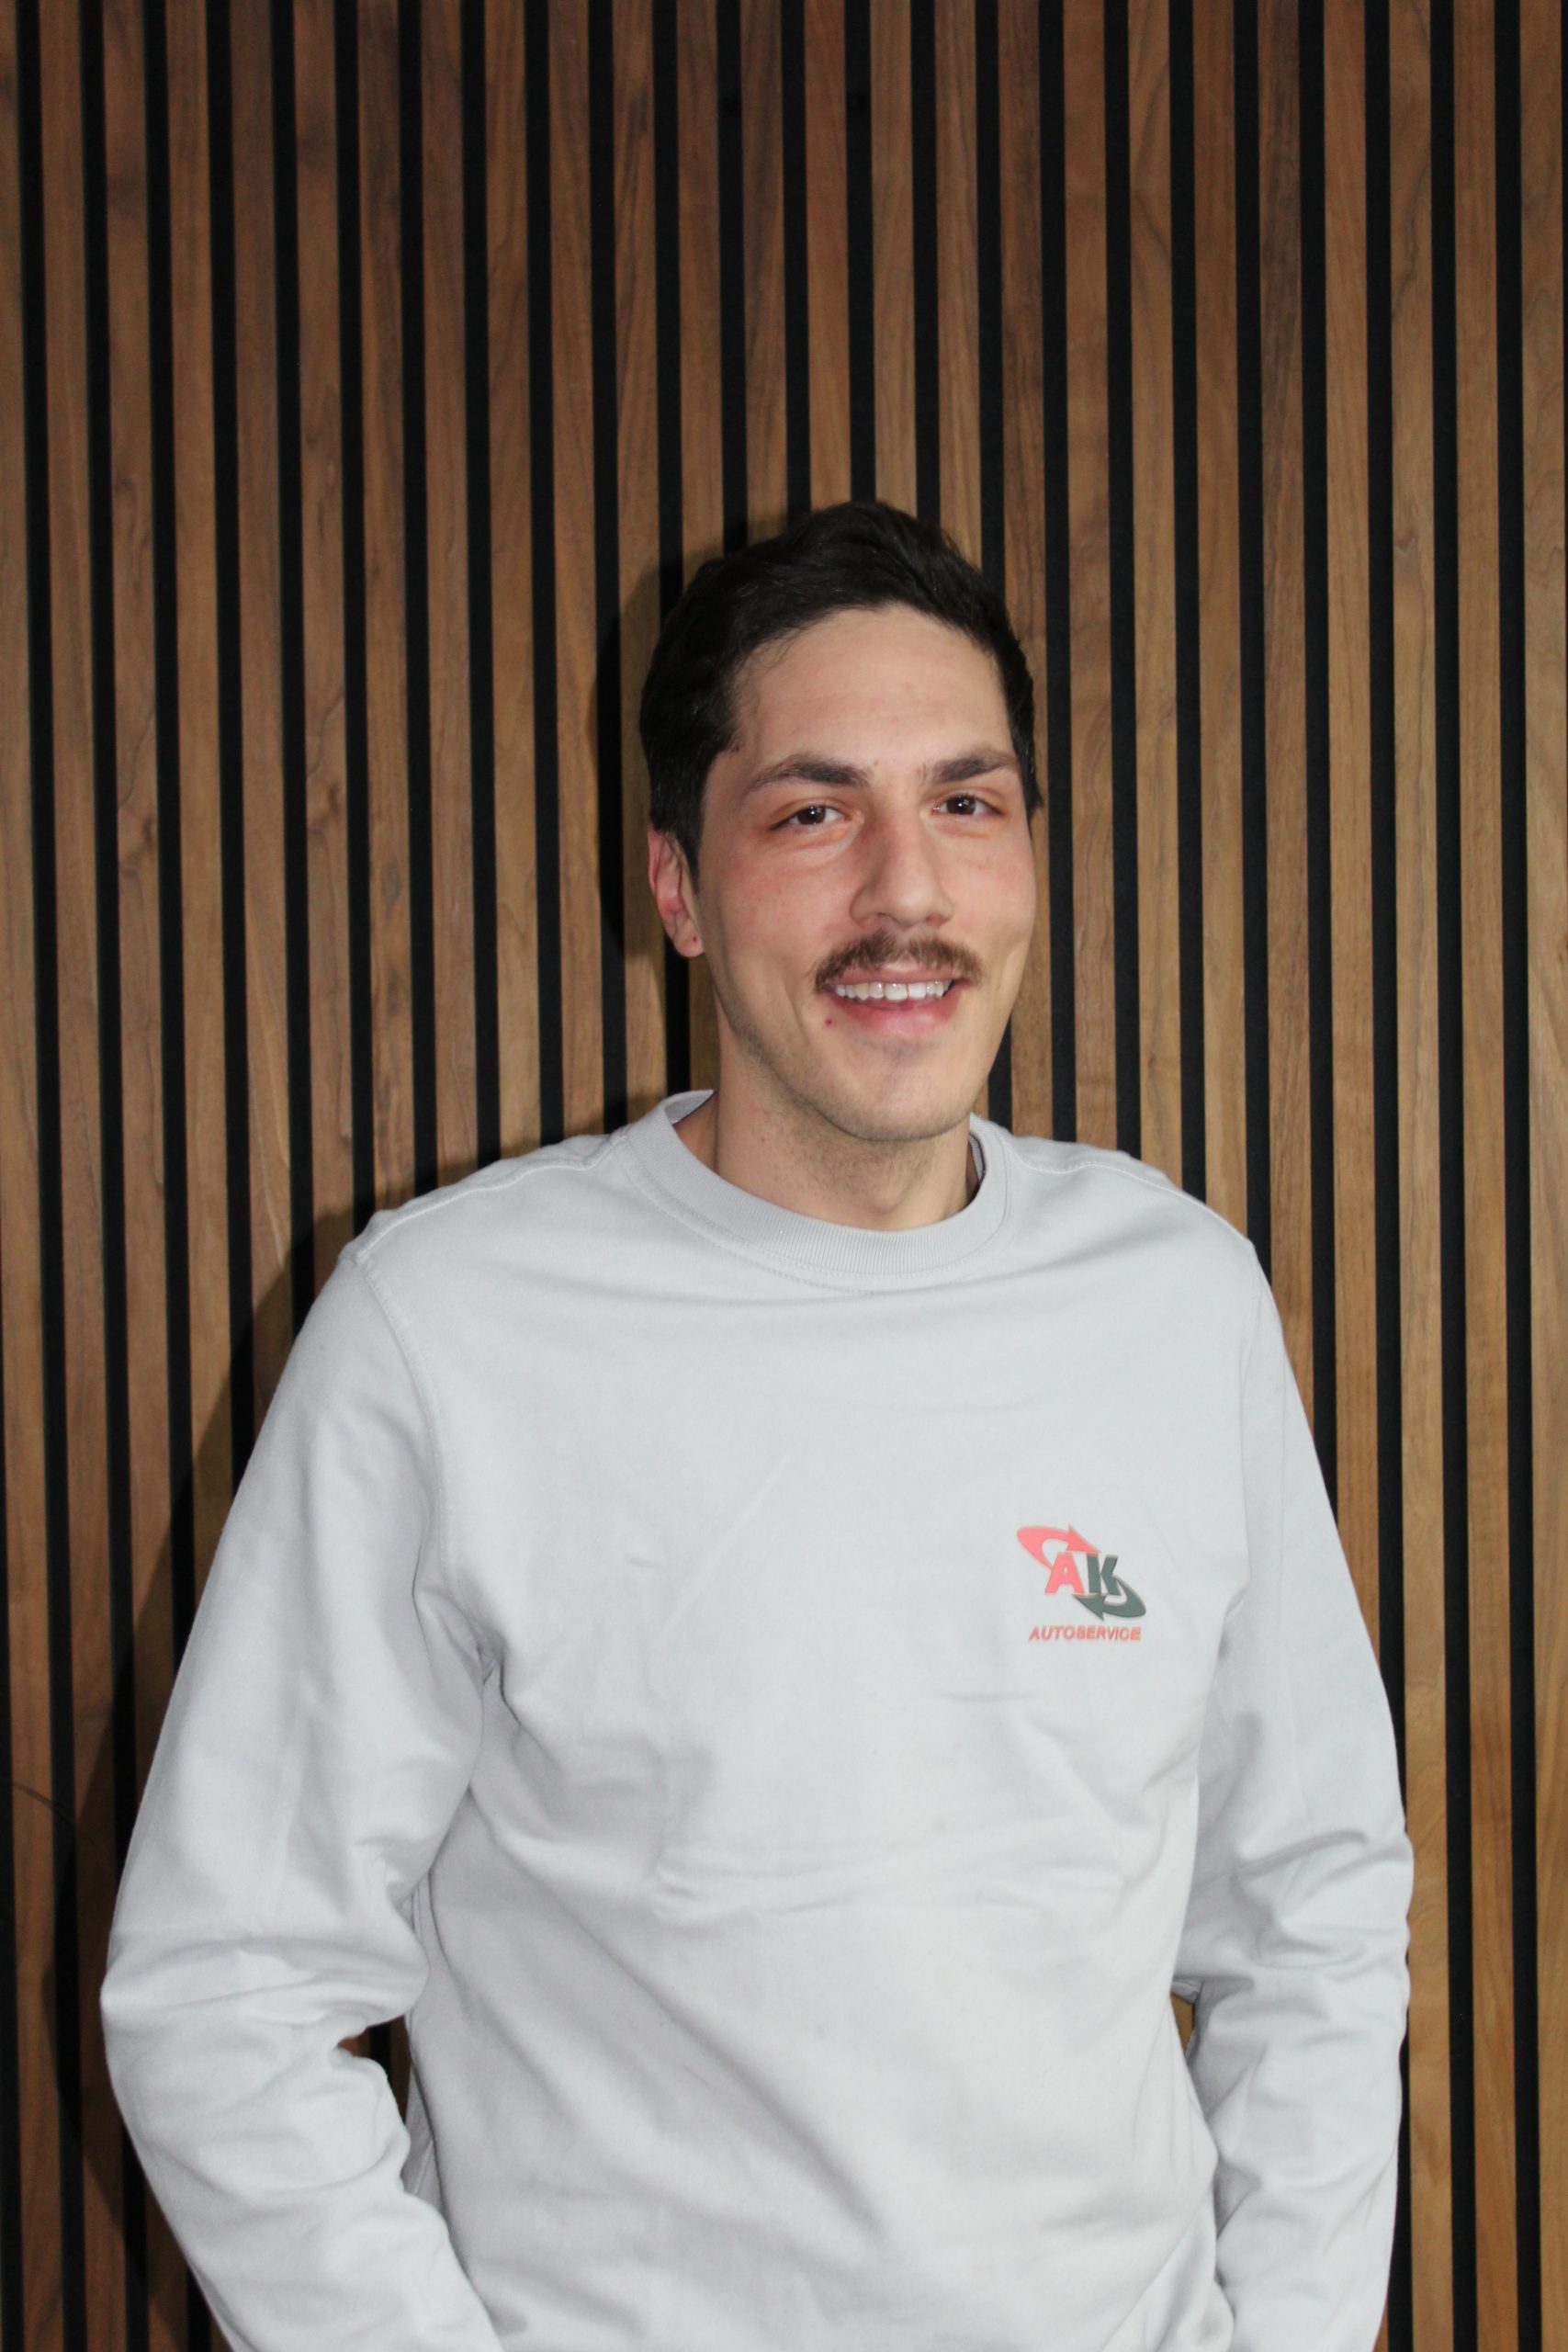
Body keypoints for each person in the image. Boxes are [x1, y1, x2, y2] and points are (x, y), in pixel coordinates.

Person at [101, 499, 1413, 2352]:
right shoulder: (445, 1329)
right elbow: (223, 1988)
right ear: (675, 884)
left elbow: (1310, 1907)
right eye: (812, 813)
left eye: (967, 802)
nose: (906, 893)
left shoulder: (1177, 1299)